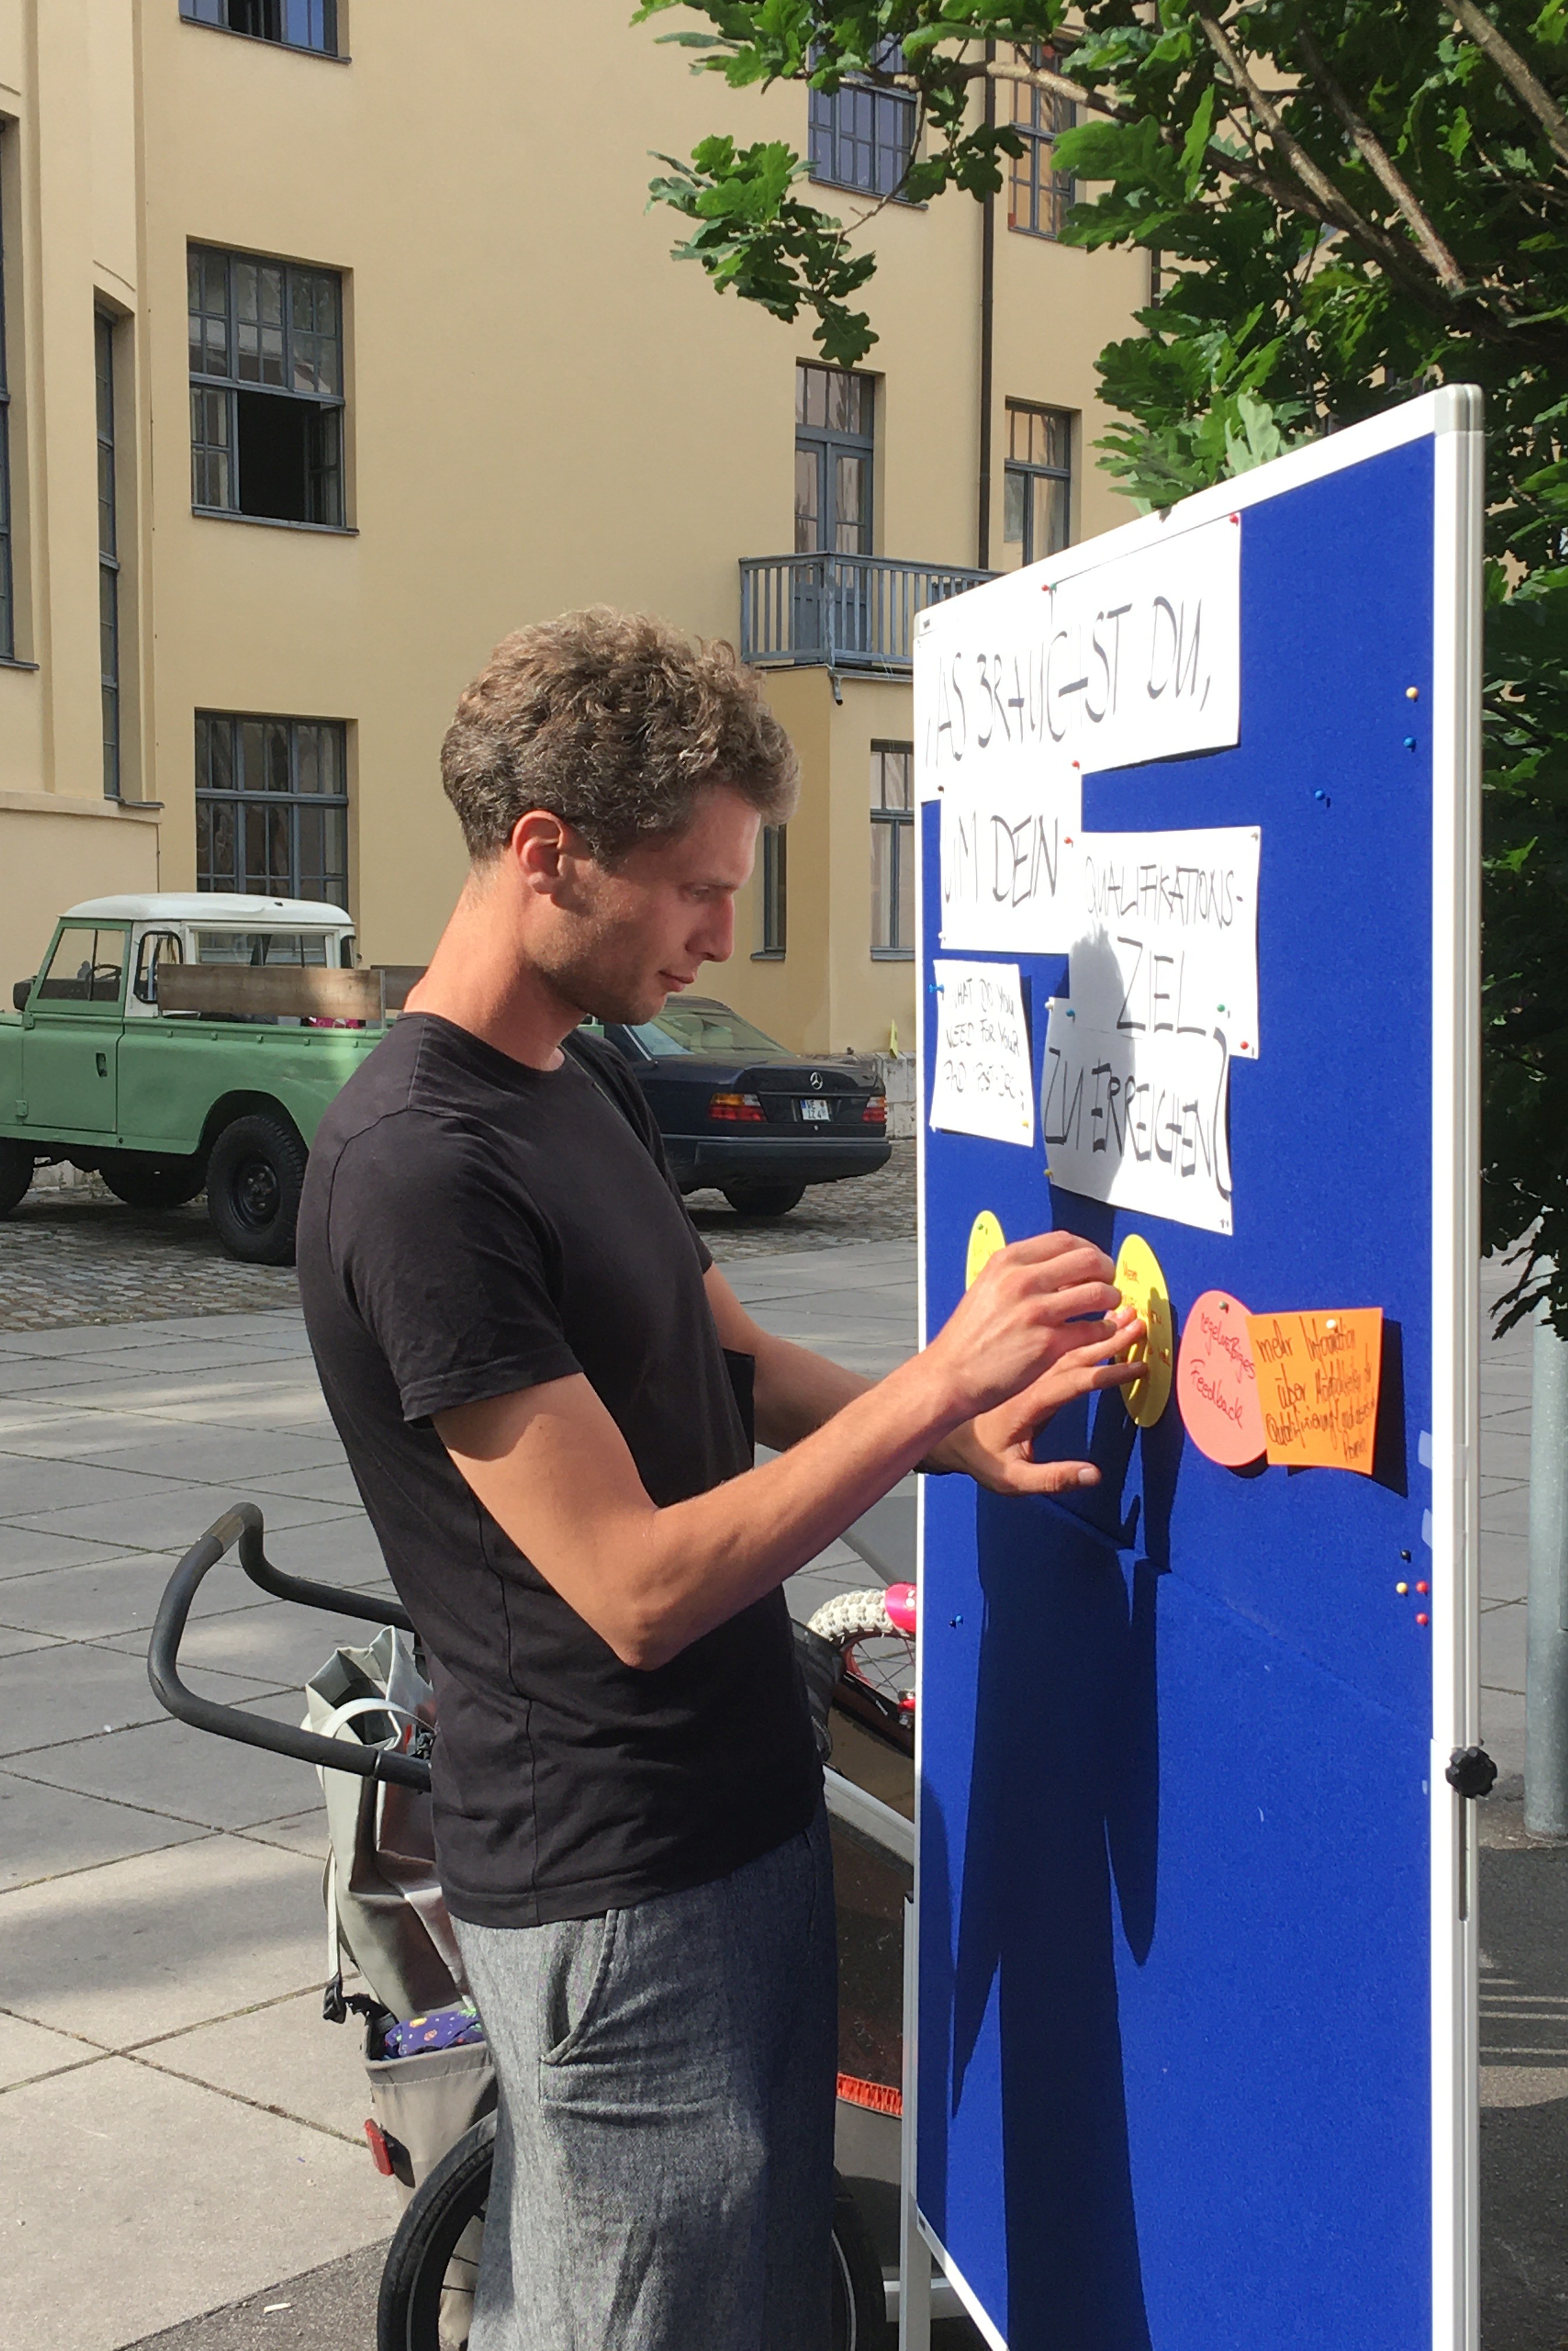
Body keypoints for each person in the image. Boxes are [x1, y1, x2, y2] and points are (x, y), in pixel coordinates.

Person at [297, 608, 1141, 2351]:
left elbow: (729, 1360)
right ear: (549, 853)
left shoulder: (581, 1074)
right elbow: (635, 1586)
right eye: (695, 888)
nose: (721, 933)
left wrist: (958, 1431)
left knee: (745, 2303)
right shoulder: (420, 1170)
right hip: (614, 1889)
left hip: (736, 1820)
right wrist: (935, 1384)